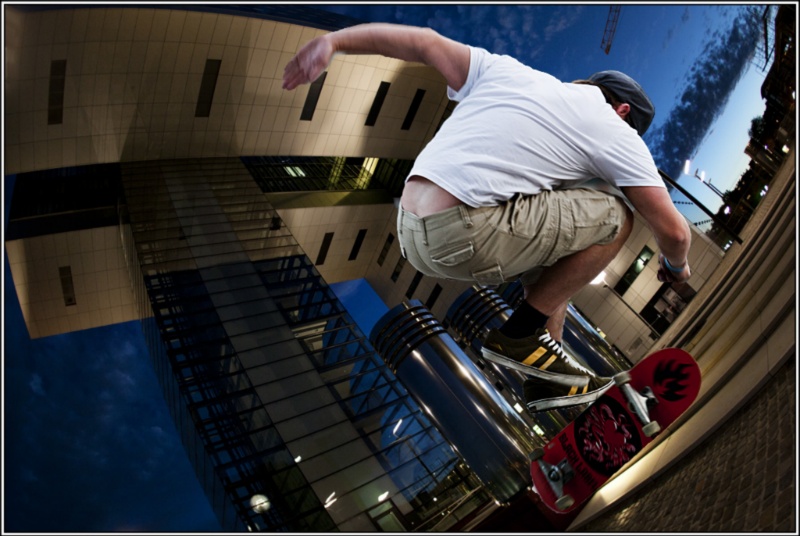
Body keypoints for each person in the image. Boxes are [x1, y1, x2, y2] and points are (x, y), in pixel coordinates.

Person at [283, 23, 692, 412]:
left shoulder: (507, 71)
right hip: (464, 229)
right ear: (623, 111)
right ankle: (519, 337)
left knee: (561, 266)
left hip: (410, 228)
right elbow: (674, 232)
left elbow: (425, 42)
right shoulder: (614, 129)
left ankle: (546, 373)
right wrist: (677, 267)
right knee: (618, 217)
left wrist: (335, 42)